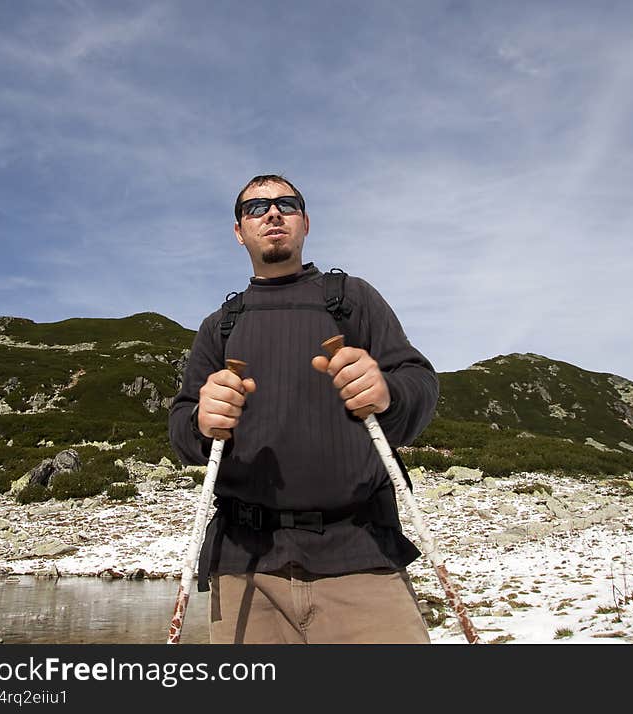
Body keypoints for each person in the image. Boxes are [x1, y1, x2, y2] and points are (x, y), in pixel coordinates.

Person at [168, 174, 439, 644]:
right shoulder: (220, 327)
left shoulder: (352, 301)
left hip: (361, 557)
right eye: (256, 208)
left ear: (305, 223)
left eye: (286, 205)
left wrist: (387, 392)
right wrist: (200, 421)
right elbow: (182, 430)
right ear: (239, 231)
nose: (272, 213)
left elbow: (419, 381)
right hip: (246, 571)